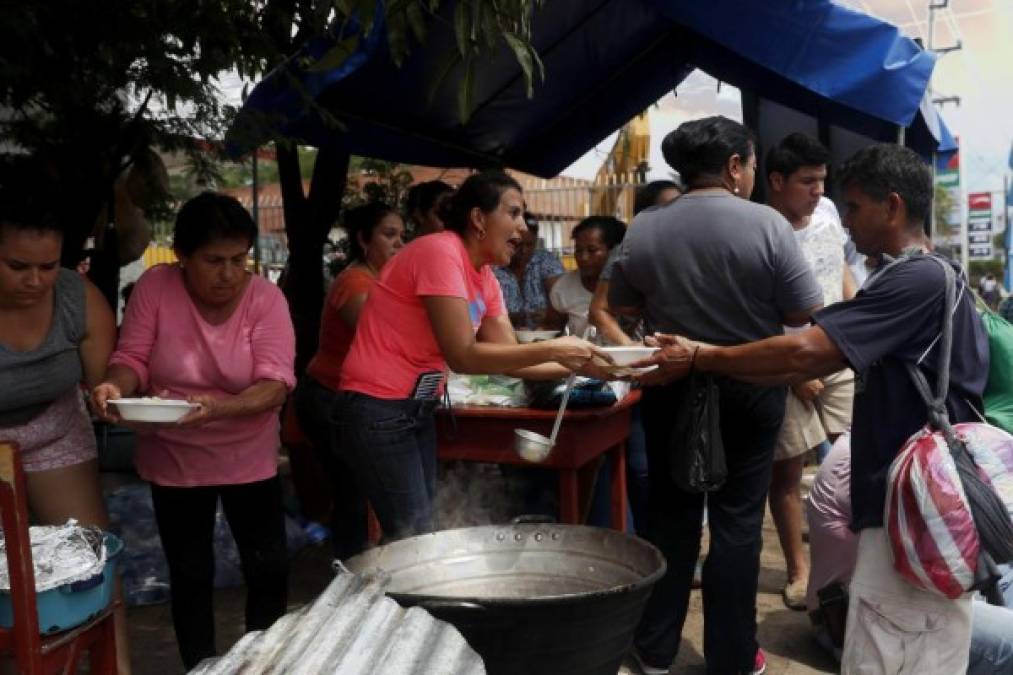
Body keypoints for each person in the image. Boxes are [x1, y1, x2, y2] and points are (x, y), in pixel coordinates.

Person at [632, 143, 989, 674]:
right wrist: (711, 364)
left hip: (915, 508)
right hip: (903, 505)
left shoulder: (917, 280)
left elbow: (807, 350)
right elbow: (800, 364)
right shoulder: (919, 275)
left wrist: (704, 355)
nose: (844, 222)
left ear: (892, 207)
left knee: (899, 648)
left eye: (854, 207)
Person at [610, 116, 823, 675]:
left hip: (671, 387)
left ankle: (655, 650)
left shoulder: (645, 226)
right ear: (734, 166)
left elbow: (625, 305)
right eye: (751, 164)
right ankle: (732, 656)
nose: (752, 173)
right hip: (750, 387)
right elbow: (801, 311)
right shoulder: (767, 226)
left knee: (671, 518)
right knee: (737, 524)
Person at [333, 170, 610, 541]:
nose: (522, 229)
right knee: (413, 534)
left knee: (417, 530)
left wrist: (597, 366)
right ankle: (389, 596)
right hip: (378, 406)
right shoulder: (439, 251)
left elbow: (512, 356)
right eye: (512, 214)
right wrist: (558, 348)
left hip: (417, 405)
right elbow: (463, 355)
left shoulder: (485, 276)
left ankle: (400, 596)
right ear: (479, 218)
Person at [92, 192, 296, 670]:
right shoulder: (156, 287)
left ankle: (264, 664)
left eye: (238, 260)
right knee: (190, 573)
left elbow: (275, 385)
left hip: (248, 454)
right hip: (174, 454)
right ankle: (200, 667)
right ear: (181, 256)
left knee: (267, 569)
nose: (228, 274)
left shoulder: (265, 299)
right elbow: (132, 359)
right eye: (213, 261)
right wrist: (112, 386)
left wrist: (221, 408)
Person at [0, 171, 130, 673]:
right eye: (16, 266)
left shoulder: (78, 297)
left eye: (48, 266)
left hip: (55, 428)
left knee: (92, 563)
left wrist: (111, 392)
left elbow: (109, 375)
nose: (35, 281)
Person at [806, 433, 1013, 674]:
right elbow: (951, 546)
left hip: (915, 592)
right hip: (858, 617)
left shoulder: (887, 443)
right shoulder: (870, 461)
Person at [764, 132, 857, 610]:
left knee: (854, 462)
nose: (819, 190)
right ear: (776, 181)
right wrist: (797, 371)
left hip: (840, 352)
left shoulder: (828, 214)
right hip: (786, 362)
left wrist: (857, 323)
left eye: (822, 180)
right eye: (807, 181)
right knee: (787, 473)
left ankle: (847, 565)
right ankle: (799, 572)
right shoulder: (761, 229)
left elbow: (839, 267)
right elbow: (756, 309)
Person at [295, 202, 404, 558]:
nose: (398, 244)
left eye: (402, 236)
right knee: (352, 491)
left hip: (350, 399)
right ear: (362, 239)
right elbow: (378, 337)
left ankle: (354, 565)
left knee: (357, 489)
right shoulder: (355, 282)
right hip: (328, 397)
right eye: (389, 235)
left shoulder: (382, 280)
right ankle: (350, 573)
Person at [588, 180, 681, 346]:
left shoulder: (691, 246)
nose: (680, 213)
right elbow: (598, 311)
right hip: (652, 353)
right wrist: (631, 347)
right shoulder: (628, 250)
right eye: (669, 208)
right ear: (645, 214)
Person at [545, 215, 626, 337]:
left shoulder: (631, 284)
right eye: (578, 250)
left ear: (614, 251)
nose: (583, 257)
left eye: (592, 250)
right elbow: (551, 326)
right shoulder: (564, 287)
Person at [493, 212, 564, 329]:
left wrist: (550, 315)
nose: (524, 251)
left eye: (530, 244)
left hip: (545, 335)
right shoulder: (494, 268)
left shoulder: (546, 261)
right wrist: (510, 318)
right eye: (518, 244)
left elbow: (561, 299)